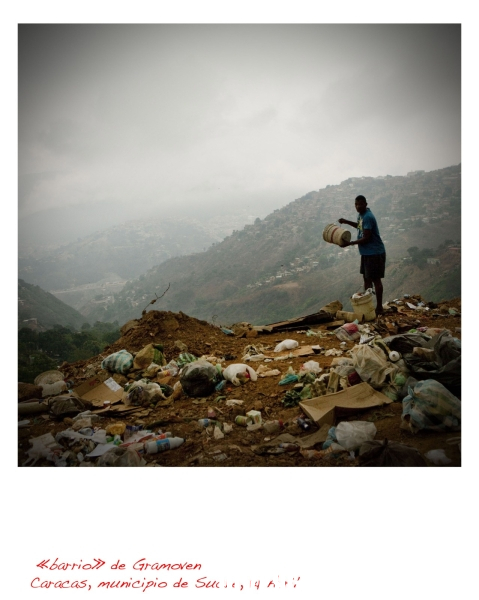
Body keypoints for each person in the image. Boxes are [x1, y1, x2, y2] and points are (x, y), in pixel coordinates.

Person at [338, 195, 386, 315]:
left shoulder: (368, 217)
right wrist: (346, 221)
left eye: (360, 204)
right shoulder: (362, 215)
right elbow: (360, 226)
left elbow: (367, 237)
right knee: (366, 279)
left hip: (374, 252)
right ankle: (367, 306)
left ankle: (379, 307)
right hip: (366, 253)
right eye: (356, 204)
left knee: (376, 280)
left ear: (366, 204)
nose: (358, 207)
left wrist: (350, 243)